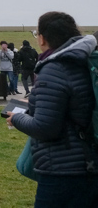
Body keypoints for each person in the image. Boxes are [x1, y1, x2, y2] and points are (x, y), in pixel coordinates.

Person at [7, 12, 98, 207]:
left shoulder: (54, 68)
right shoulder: (84, 61)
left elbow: (45, 127)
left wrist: (15, 118)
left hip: (62, 170)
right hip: (89, 163)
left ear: (42, 38)